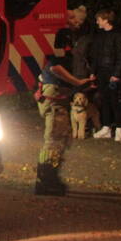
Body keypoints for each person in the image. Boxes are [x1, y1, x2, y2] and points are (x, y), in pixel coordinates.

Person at [34, 54, 93, 196]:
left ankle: (49, 178)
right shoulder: (60, 46)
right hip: (55, 96)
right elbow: (55, 67)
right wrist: (77, 82)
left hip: (57, 96)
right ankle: (45, 180)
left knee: (60, 138)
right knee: (54, 139)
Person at [89, 9, 121, 141]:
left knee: (114, 100)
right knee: (104, 99)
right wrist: (93, 72)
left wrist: (116, 73)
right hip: (102, 72)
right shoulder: (100, 36)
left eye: (99, 19)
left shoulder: (118, 35)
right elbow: (96, 55)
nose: (97, 22)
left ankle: (119, 129)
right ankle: (106, 127)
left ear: (105, 20)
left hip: (112, 73)